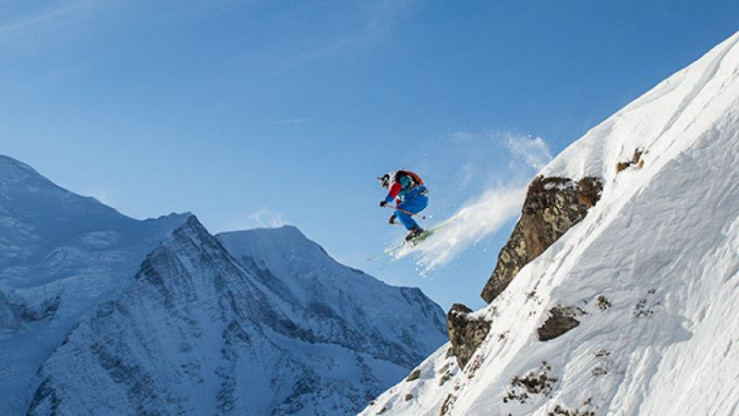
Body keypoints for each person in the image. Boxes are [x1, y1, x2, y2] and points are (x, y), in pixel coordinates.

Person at [378, 170, 428, 241]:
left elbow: (396, 187)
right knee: (401, 212)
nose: (386, 187)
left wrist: (386, 200)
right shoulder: (398, 185)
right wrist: (395, 216)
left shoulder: (396, 179)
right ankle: (418, 231)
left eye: (385, 185)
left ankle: (414, 230)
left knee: (401, 211)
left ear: (387, 180)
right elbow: (399, 205)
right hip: (419, 199)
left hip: (417, 198)